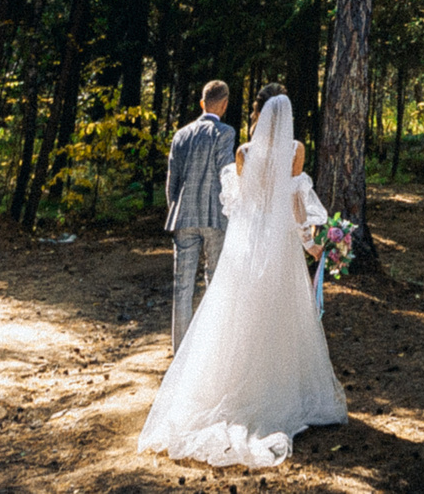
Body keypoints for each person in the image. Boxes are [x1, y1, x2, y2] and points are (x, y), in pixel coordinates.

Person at [137, 89, 347, 467]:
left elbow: (238, 209)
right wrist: (312, 245)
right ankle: (275, 392)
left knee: (235, 317)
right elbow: (296, 204)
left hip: (246, 246)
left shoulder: (244, 153)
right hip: (279, 247)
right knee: (280, 319)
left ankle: (234, 392)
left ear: (258, 114)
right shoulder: (295, 151)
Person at [163, 80, 238, 349]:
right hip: (215, 217)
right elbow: (226, 175)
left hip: (183, 217)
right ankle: (211, 350)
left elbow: (171, 183)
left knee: (182, 287)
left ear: (202, 103)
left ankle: (179, 351)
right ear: (225, 104)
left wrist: (177, 209)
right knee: (214, 282)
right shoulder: (226, 132)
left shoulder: (181, 135)